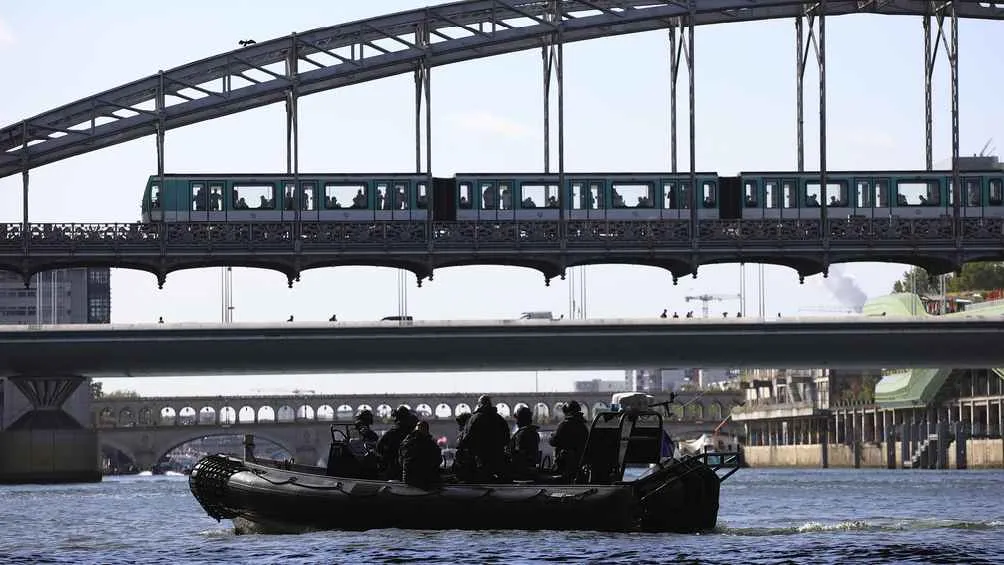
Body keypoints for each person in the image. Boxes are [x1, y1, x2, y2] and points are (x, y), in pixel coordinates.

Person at [457, 395, 510, 482]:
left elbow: (466, 439)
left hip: (480, 461)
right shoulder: (500, 419)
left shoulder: (474, 419)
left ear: (479, 405)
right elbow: (506, 439)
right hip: (498, 460)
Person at [549, 400, 589, 481]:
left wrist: (552, 436)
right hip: (580, 462)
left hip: (565, 464)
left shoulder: (564, 424)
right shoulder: (583, 426)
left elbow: (554, 441)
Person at [375, 406, 417, 480]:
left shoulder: (394, 431)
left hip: (394, 466)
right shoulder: (413, 431)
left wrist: (386, 456)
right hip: (410, 467)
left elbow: (379, 445)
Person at [399, 420, 443, 489]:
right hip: (425, 481)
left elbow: (401, 460)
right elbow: (438, 460)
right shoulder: (430, 444)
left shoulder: (407, 442)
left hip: (408, 480)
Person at [507, 406, 540, 479]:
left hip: (521, 469)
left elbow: (519, 455)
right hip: (530, 466)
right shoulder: (534, 432)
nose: (516, 422)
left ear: (520, 420)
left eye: (517, 419)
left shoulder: (521, 434)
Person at [452, 412, 475, 481]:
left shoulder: (466, 435)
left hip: (466, 468)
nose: (459, 428)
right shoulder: (465, 434)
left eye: (460, 425)